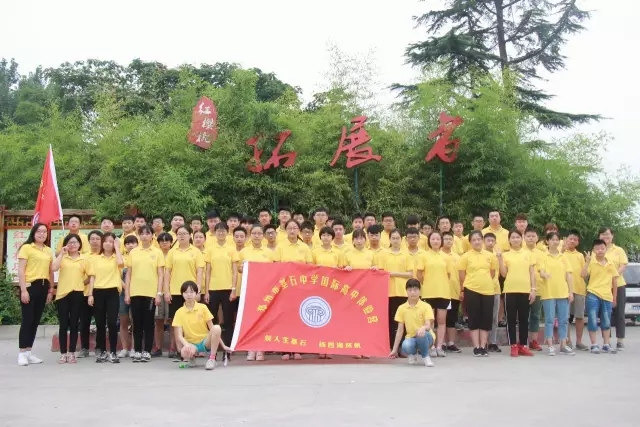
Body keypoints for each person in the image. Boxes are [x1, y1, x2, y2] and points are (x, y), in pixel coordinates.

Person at [52, 233, 95, 364]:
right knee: (64, 324)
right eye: (70, 242)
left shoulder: (84, 259)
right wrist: (61, 253)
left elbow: (91, 276)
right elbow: (53, 268)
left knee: (74, 323)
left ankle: (72, 353)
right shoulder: (63, 257)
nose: (73, 245)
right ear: (66, 244)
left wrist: (87, 288)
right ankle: (63, 353)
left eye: (75, 242)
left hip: (78, 293)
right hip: (62, 294)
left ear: (79, 244)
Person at [274, 219, 313, 360]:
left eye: (295, 228)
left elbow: (309, 267)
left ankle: (298, 349)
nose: (292, 230)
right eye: (289, 228)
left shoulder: (304, 247)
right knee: (284, 318)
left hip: (300, 288)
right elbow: (276, 266)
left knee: (299, 317)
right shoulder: (280, 247)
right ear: (286, 230)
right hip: (284, 288)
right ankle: (285, 350)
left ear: (299, 230)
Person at [164, 225, 205, 360]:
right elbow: (167, 272)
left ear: (190, 235)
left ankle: (194, 349)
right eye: (179, 233)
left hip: (191, 292)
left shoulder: (196, 251)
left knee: (192, 320)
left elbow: (199, 271)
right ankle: (179, 349)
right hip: (175, 291)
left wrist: (198, 290)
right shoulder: (172, 252)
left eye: (184, 233)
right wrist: (166, 291)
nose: (181, 236)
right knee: (176, 322)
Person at [125, 225, 165, 362]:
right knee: (137, 323)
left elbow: (160, 274)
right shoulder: (133, 252)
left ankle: (147, 351)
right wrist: (127, 293)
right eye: (142, 233)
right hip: (135, 292)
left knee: (149, 323)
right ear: (139, 235)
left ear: (152, 236)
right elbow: (128, 274)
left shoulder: (158, 252)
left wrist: (159, 293)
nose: (144, 236)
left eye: (147, 233)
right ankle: (137, 350)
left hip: (151, 293)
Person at [17, 223, 54, 366]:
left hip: (43, 286)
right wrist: (24, 290)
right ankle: (21, 353)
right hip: (30, 286)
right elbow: (21, 270)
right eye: (39, 231)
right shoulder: (27, 248)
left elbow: (50, 271)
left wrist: (51, 289)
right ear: (34, 233)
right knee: (27, 320)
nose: (42, 234)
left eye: (44, 232)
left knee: (35, 320)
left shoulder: (48, 250)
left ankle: (28, 352)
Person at [173, 281, 231, 370]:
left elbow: (212, 328)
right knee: (184, 352)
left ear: (196, 293)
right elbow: (179, 335)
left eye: (191, 292)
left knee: (216, 327)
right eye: (186, 292)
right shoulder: (179, 312)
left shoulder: (202, 308)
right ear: (182, 294)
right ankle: (190, 358)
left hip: (205, 342)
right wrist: (186, 345)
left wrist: (223, 346)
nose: (189, 295)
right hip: (191, 343)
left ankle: (212, 359)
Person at [238, 224, 275, 361]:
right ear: (250, 235)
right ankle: (251, 349)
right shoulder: (244, 252)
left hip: (265, 290)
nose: (257, 236)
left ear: (263, 235)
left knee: (263, 318)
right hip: (249, 290)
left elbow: (274, 271)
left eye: (259, 233)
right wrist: (242, 268)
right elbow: (240, 269)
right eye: (254, 233)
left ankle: (261, 349)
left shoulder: (270, 253)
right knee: (250, 319)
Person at [458, 230, 497, 356]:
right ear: (470, 242)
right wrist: (465, 288)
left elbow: (492, 273)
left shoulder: (490, 256)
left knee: (486, 318)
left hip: (488, 290)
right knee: (474, 318)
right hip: (471, 289)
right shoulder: (465, 256)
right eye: (473, 240)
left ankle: (483, 345)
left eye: (479, 239)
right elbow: (462, 275)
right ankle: (476, 346)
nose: (476, 242)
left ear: (482, 240)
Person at [497, 230, 535, 357]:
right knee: (511, 320)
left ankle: (523, 345)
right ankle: (513, 345)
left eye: (517, 237)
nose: (515, 239)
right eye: (512, 237)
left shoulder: (528, 254)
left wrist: (533, 289)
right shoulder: (506, 255)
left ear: (522, 238)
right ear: (509, 240)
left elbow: (532, 273)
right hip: (510, 290)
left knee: (524, 319)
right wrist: (499, 259)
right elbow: (503, 274)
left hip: (525, 290)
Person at [204, 222, 239, 363]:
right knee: (212, 321)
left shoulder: (232, 249)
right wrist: (206, 291)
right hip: (213, 288)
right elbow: (207, 272)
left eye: (223, 230)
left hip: (227, 289)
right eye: (218, 230)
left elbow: (235, 272)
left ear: (227, 232)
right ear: (215, 232)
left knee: (228, 321)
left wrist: (233, 290)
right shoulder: (210, 249)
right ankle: (211, 350)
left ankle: (227, 350)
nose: (221, 233)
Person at [88, 232, 124, 363]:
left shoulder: (117, 257)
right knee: (100, 323)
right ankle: (102, 351)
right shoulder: (96, 259)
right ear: (102, 243)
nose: (108, 243)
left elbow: (121, 264)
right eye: (106, 241)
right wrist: (90, 294)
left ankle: (113, 352)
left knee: (112, 323)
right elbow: (92, 277)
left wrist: (117, 247)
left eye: (111, 241)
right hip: (98, 292)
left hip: (113, 292)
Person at [377, 229, 413, 355]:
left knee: (403, 321)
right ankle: (392, 348)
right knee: (391, 322)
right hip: (389, 292)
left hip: (403, 292)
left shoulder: (406, 255)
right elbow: (380, 271)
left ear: (401, 239)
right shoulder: (384, 255)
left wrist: (393, 274)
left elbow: (410, 274)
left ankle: (403, 348)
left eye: (398, 238)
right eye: (393, 238)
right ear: (389, 239)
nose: (396, 240)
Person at [581, 240, 619, 354]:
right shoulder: (591, 262)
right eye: (597, 248)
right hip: (593, 294)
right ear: (593, 250)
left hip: (607, 295)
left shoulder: (611, 264)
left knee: (606, 321)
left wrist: (614, 297)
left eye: (602, 248)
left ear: (605, 249)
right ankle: (594, 344)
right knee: (592, 320)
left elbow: (615, 282)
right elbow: (583, 275)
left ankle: (606, 344)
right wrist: (587, 262)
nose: (600, 250)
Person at [540, 232, 574, 356]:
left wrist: (571, 291)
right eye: (552, 239)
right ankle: (550, 346)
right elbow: (541, 271)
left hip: (563, 292)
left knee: (563, 320)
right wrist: (544, 274)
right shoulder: (543, 256)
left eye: (557, 239)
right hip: (548, 293)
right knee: (549, 320)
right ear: (547, 241)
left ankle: (563, 345)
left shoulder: (563, 257)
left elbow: (569, 275)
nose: (555, 242)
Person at [388, 279, 435, 367]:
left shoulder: (426, 306)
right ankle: (412, 355)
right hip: (411, 337)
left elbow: (428, 325)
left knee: (421, 334)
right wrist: (394, 349)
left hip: (426, 336)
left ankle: (426, 357)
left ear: (419, 291)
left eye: (415, 290)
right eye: (410, 290)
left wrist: (422, 328)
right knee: (406, 345)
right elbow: (400, 330)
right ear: (406, 291)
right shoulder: (401, 308)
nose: (413, 292)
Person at [421, 231, 453, 357]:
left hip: (443, 292)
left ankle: (440, 346)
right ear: (429, 241)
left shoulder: (446, 257)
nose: (435, 241)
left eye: (438, 239)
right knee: (430, 320)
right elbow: (420, 274)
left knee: (441, 320)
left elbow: (449, 275)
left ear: (441, 241)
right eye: (433, 239)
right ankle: (431, 346)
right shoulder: (424, 256)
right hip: (428, 292)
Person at [599, 227, 628, 351]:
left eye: (608, 234)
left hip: (619, 284)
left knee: (619, 313)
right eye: (603, 234)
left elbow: (623, 265)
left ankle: (620, 340)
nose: (605, 236)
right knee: (605, 314)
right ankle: (607, 341)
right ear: (599, 236)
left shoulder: (619, 250)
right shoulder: (598, 250)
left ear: (612, 236)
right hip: (603, 286)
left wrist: (614, 275)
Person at [564, 230, 587, 350]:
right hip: (565, 290)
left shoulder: (580, 256)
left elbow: (584, 274)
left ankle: (579, 341)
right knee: (566, 317)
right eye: (570, 238)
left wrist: (588, 262)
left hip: (579, 289)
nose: (572, 241)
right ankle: (567, 340)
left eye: (575, 239)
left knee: (579, 316)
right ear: (566, 240)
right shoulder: (561, 254)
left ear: (577, 243)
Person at [151, 232, 173, 357]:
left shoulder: (174, 254)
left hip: (170, 291)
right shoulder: (155, 254)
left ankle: (172, 348)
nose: (164, 243)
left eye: (167, 240)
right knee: (158, 320)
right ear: (158, 243)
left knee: (171, 320)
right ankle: (158, 347)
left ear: (171, 242)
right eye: (162, 241)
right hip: (158, 291)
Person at [117, 235, 139, 359]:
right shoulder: (122, 259)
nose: (130, 245)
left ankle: (134, 348)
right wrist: (127, 290)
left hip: (137, 293)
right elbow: (116, 275)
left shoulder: (140, 257)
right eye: (128, 243)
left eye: (133, 243)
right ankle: (125, 348)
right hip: (122, 293)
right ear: (124, 246)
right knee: (123, 321)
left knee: (136, 321)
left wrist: (132, 291)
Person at [524, 227, 544, 350]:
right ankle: (523, 341)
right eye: (528, 236)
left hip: (539, 289)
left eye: (533, 236)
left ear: (537, 238)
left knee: (536, 316)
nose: (531, 238)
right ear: (524, 238)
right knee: (523, 316)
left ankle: (534, 340)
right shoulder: (521, 252)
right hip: (523, 289)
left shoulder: (542, 254)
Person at [441, 232, 462, 353]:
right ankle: (441, 342)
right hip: (441, 292)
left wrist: (461, 290)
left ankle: (451, 343)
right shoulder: (438, 255)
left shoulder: (458, 257)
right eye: (446, 239)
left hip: (454, 292)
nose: (448, 241)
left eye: (450, 239)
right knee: (441, 319)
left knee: (452, 318)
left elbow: (461, 275)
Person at [483, 233, 502, 352]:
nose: (490, 242)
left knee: (494, 317)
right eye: (488, 240)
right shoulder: (481, 254)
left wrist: (500, 258)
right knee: (485, 316)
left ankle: (493, 342)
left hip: (495, 289)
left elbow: (500, 273)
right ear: (484, 241)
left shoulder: (498, 255)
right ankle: (483, 342)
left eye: (492, 241)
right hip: (483, 290)